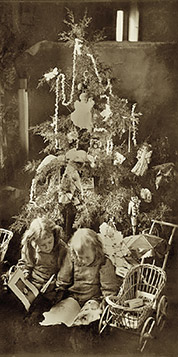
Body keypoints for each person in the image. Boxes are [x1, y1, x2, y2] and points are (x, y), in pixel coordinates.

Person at [55, 228, 119, 307]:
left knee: (86, 317)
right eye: (80, 257)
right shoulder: (72, 259)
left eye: (87, 257)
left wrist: (106, 300)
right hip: (74, 297)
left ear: (96, 250)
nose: (84, 261)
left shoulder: (104, 263)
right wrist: (59, 291)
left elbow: (109, 288)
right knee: (61, 313)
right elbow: (63, 279)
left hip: (94, 299)